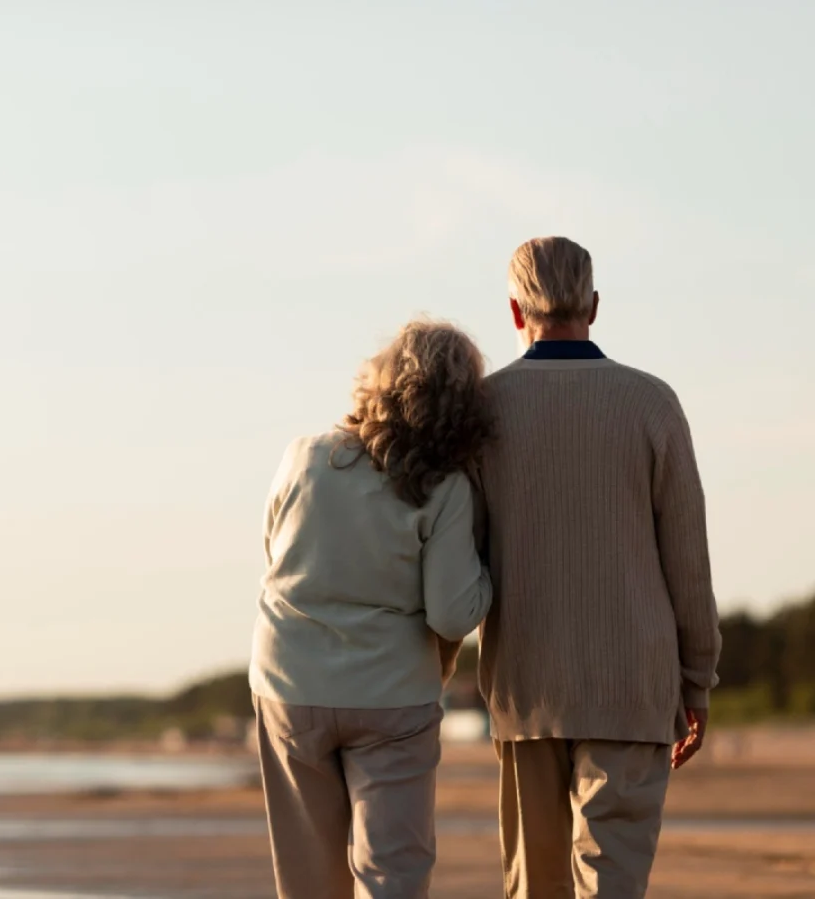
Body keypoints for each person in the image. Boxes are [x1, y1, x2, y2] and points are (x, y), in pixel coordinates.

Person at [478, 236, 723, 898]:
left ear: (513, 311)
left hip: (526, 688)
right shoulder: (652, 403)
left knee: (537, 887)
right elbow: (688, 560)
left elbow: (460, 557)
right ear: (593, 303)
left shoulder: (482, 410)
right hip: (631, 685)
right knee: (613, 885)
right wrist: (697, 680)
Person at [249, 319, 494, 899]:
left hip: (290, 684)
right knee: (393, 875)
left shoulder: (304, 457)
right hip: (392, 695)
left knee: (308, 879)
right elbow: (453, 615)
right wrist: (490, 574)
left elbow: (273, 550)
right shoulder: (446, 487)